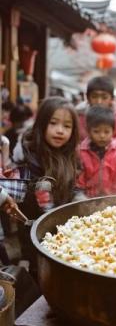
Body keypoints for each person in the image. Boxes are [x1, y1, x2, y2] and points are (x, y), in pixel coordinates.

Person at [13, 96, 80, 276]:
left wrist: (80, 200)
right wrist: (25, 254)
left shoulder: (70, 156)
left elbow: (74, 188)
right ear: (42, 124)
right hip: (32, 235)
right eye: (53, 123)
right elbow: (22, 210)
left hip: (62, 235)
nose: (60, 131)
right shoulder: (27, 159)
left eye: (67, 126)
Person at [77, 106, 116, 197]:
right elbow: (78, 183)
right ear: (88, 131)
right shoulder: (82, 153)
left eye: (106, 132)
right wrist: (81, 199)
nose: (102, 136)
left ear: (113, 131)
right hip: (86, 201)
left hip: (111, 202)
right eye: (96, 131)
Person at [76, 76, 116, 153]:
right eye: (94, 96)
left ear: (112, 99)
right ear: (88, 98)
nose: (99, 101)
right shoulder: (79, 117)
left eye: (104, 97)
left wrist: (113, 146)